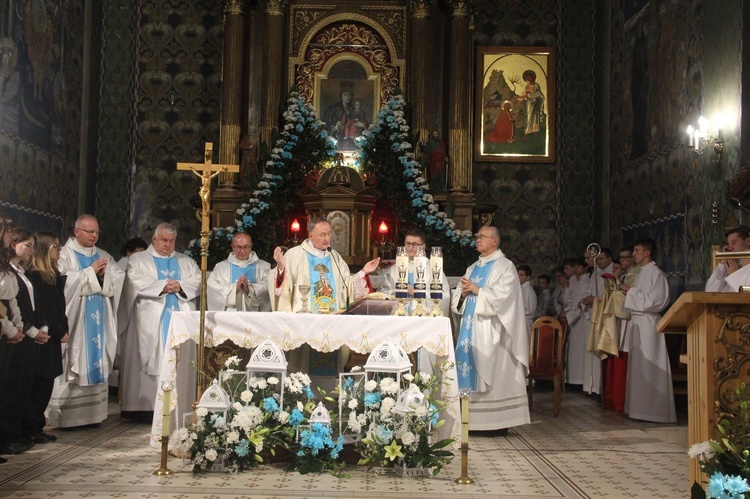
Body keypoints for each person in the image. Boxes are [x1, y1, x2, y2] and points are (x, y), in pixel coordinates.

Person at [268, 217, 379, 372]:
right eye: (322, 235)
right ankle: (299, 390)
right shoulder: (295, 255)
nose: (327, 239)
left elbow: (346, 287)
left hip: (332, 320)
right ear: (311, 234)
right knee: (302, 365)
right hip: (306, 322)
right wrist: (280, 267)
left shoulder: (335, 257)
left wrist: (363, 272)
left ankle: (331, 393)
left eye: (329, 234)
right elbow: (282, 285)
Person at [452, 225, 530, 432]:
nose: (477, 240)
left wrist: (478, 290)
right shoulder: (472, 267)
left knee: (494, 373)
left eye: (482, 237)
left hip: (493, 331)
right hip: (470, 330)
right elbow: (459, 295)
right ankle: (470, 422)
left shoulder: (505, 266)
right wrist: (462, 294)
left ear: (494, 241)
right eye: (477, 237)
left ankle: (496, 423)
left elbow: (506, 297)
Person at [48, 215, 123, 428]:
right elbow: (61, 281)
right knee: (74, 359)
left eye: (96, 232)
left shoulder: (103, 255)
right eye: (89, 232)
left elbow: (119, 278)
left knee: (97, 357)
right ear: (77, 231)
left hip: (99, 319)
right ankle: (66, 418)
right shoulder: (65, 254)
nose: (94, 236)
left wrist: (105, 275)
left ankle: (93, 416)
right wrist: (90, 272)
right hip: (76, 320)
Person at [119, 222, 201, 416]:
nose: (168, 245)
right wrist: (163, 287)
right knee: (151, 357)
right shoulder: (139, 259)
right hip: (149, 320)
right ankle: (144, 408)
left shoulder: (185, 261)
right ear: (154, 239)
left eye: (172, 241)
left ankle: (177, 404)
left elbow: (198, 280)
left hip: (178, 319)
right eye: (164, 240)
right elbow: (134, 280)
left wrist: (180, 286)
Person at [621, 237, 676, 423]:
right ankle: (638, 409)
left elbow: (656, 301)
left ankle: (655, 411)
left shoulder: (656, 273)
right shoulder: (642, 272)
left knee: (651, 366)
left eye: (636, 250)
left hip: (649, 325)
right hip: (638, 322)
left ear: (647, 252)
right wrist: (629, 292)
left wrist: (631, 292)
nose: (634, 254)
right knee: (639, 368)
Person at [27, 231, 68, 443]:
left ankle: (37, 425)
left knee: (47, 382)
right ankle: (31, 427)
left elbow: (60, 306)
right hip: (43, 335)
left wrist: (64, 326)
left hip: (53, 335)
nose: (59, 251)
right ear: (45, 249)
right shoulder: (35, 275)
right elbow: (42, 308)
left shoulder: (53, 275)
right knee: (39, 383)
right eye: (55, 247)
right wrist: (57, 329)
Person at [7, 229, 47, 447]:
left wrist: (39, 327)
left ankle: (19, 432)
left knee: (24, 387)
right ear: (13, 244)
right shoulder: (9, 272)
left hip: (25, 333)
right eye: (27, 245)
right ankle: (7, 437)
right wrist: (29, 330)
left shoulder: (23, 272)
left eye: (33, 246)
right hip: (17, 335)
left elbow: (33, 305)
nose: (32, 250)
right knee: (12, 388)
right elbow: (14, 306)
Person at [207, 232, 271, 312]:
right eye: (238, 247)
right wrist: (234, 289)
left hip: (255, 316)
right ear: (232, 247)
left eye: (246, 247)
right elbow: (212, 287)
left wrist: (250, 289)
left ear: (251, 246)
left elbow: (268, 286)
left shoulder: (264, 267)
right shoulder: (220, 267)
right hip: (229, 316)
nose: (242, 251)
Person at [580, 248, 614, 396]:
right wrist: (587, 299)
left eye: (601, 259)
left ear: (609, 259)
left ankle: (600, 388)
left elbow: (610, 297)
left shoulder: (611, 273)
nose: (598, 262)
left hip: (603, 317)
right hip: (593, 315)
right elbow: (589, 291)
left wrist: (595, 300)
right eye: (597, 259)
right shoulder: (596, 273)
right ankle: (592, 387)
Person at [564, 257, 589, 389]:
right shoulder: (577, 281)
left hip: (582, 319)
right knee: (573, 350)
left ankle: (578, 381)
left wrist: (569, 316)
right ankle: (572, 380)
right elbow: (572, 300)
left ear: (585, 268)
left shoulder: (586, 282)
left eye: (580, 266)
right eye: (576, 266)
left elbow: (581, 303)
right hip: (574, 319)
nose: (577, 269)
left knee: (579, 351)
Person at [706, 226, 750, 292]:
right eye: (728, 244)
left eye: (734, 243)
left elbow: (745, 295)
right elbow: (710, 292)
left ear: (748, 241)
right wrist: (722, 264)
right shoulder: (733, 266)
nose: (730, 248)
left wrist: (735, 274)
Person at [323, 81, 354, 147]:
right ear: (341, 95)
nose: (348, 97)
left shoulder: (353, 109)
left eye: (349, 95)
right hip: (337, 137)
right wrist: (334, 126)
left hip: (349, 139)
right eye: (345, 95)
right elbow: (326, 123)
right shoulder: (333, 109)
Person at [520, 69, 544, 136]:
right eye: (527, 78)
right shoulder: (527, 86)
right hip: (530, 103)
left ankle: (535, 130)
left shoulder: (536, 85)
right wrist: (526, 95)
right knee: (529, 116)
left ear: (532, 77)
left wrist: (534, 96)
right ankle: (528, 130)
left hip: (536, 103)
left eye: (529, 77)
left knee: (536, 117)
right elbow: (524, 94)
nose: (528, 79)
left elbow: (539, 93)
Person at [517, 265, 537, 333]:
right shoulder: (521, 288)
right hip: (521, 320)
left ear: (528, 277)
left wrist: (515, 312)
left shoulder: (528, 290)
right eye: (517, 274)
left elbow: (530, 310)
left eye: (521, 275)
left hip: (525, 322)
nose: (518, 277)